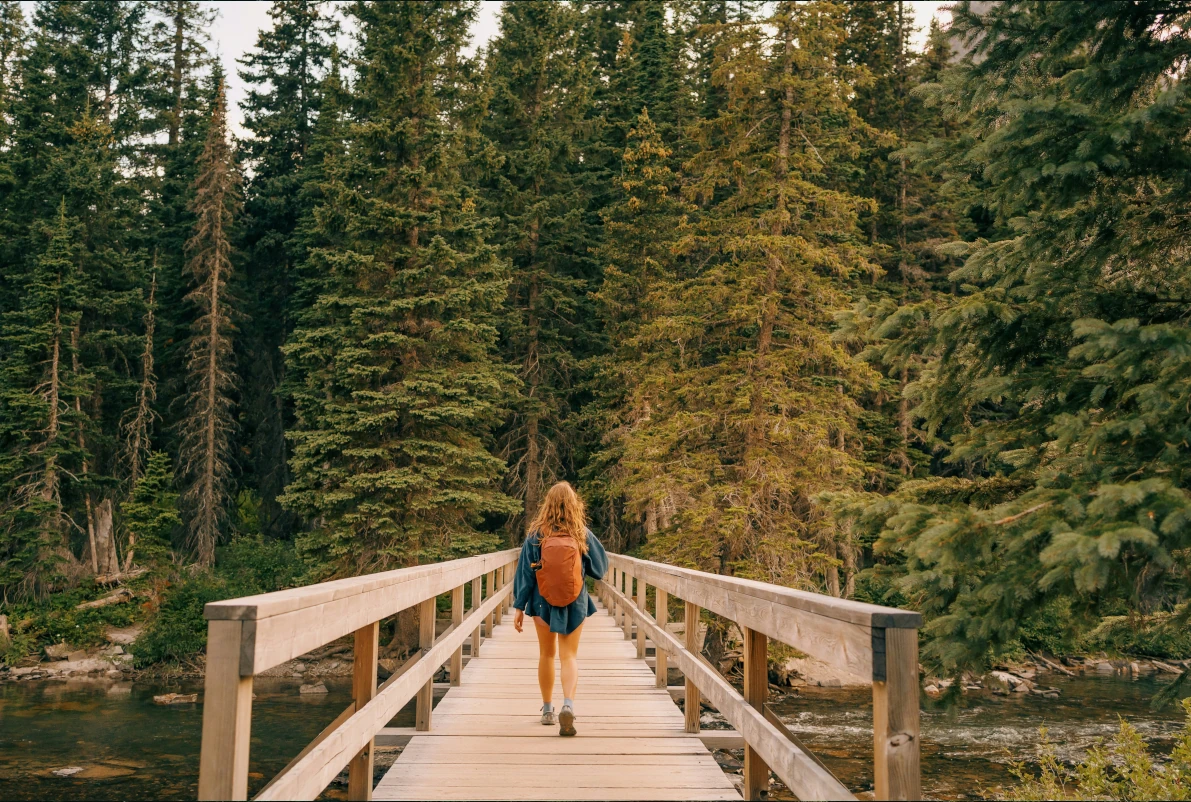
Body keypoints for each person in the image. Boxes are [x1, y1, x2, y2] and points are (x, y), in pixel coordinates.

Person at [512, 481, 608, 737]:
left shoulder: (536, 536)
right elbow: (600, 570)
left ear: (548, 505)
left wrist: (519, 606)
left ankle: (547, 710)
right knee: (569, 656)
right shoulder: (581, 534)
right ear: (574, 504)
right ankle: (569, 704)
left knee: (546, 654)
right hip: (575, 601)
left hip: (541, 601)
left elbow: (525, 574)